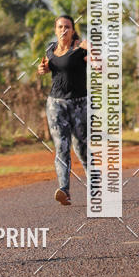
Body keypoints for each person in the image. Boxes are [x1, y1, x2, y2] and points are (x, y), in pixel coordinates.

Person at [37, 14, 88, 206]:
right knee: (61, 147)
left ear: (73, 30)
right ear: (55, 29)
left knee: (81, 147)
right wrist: (42, 69)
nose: (63, 30)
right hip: (56, 104)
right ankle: (64, 190)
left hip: (79, 104)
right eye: (60, 27)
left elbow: (100, 65)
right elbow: (47, 68)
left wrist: (91, 49)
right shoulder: (50, 49)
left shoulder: (80, 48)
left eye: (67, 27)